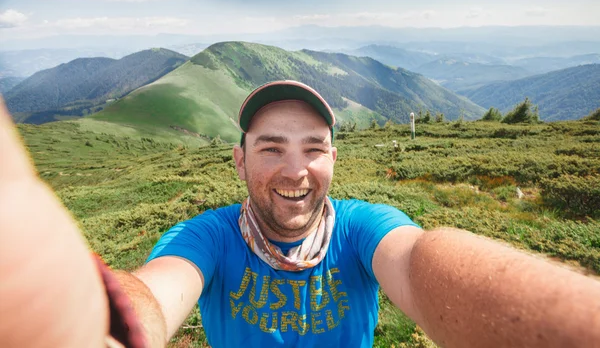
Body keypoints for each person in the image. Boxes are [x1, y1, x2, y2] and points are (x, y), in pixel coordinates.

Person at [0, 81, 599, 348]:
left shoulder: (365, 228)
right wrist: (92, 328)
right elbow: (157, 295)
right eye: (270, 148)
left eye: (313, 148)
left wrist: (573, 323)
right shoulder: (207, 238)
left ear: (334, 159)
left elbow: (419, 263)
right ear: (238, 160)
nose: (295, 170)